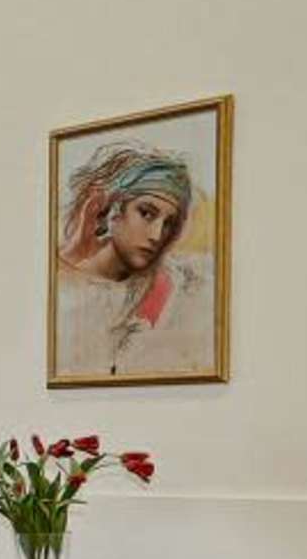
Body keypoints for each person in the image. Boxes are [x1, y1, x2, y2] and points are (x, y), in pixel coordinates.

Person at [51, 140, 216, 379]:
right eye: (146, 213)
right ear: (111, 209)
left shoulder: (177, 284)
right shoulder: (64, 288)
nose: (157, 235)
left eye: (168, 223)